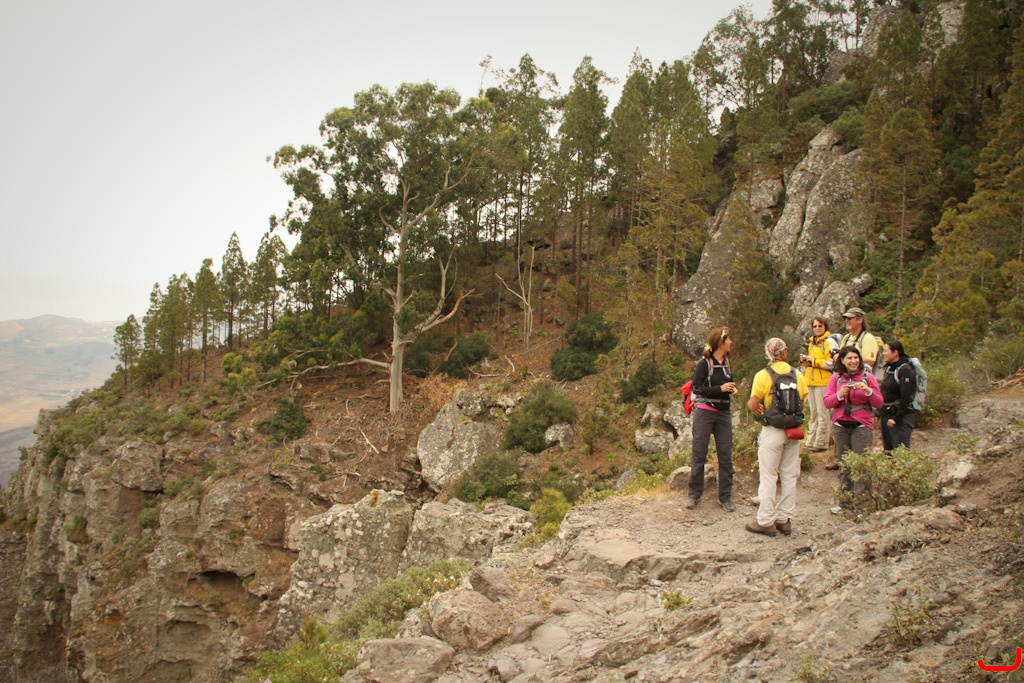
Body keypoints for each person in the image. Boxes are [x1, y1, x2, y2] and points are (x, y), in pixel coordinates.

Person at [746, 338, 809, 537]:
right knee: (789, 476)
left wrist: (759, 409)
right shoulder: (797, 374)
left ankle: (765, 521)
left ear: (768, 353)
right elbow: (802, 403)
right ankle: (784, 520)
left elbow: (752, 404)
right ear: (784, 352)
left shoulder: (763, 375)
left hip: (772, 430)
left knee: (769, 476)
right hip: (793, 431)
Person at [685, 327, 738, 512]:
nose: (731, 342)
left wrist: (732, 390)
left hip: (723, 413)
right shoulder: (704, 364)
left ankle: (725, 497)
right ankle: (693, 494)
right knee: (699, 453)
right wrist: (720, 389)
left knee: (725, 455)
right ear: (720, 343)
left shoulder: (727, 363)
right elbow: (697, 388)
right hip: (705, 411)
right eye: (728, 339)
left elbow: (727, 384)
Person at [823, 345, 883, 506]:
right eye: (849, 358)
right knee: (844, 465)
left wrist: (868, 391)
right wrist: (839, 395)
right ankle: (845, 503)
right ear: (842, 360)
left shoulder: (868, 377)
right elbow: (827, 402)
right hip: (841, 424)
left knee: (861, 465)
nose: (853, 361)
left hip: (862, 424)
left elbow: (879, 402)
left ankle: (862, 505)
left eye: (856, 358)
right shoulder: (836, 378)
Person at [799, 316, 836, 453]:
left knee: (822, 412)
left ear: (825, 327)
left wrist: (813, 361)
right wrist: (805, 361)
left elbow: (831, 363)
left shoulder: (829, 342)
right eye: (815, 326)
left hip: (823, 381)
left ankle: (821, 442)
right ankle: (811, 440)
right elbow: (812, 363)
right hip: (811, 381)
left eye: (820, 326)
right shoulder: (812, 343)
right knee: (813, 412)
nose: (817, 328)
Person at [880, 339, 917, 451]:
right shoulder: (890, 368)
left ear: (895, 353)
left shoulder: (905, 370)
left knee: (900, 451)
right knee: (888, 452)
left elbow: (906, 396)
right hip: (886, 413)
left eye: (886, 351)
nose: (883, 353)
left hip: (899, 417)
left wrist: (896, 418)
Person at [837, 307, 879, 375]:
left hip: (861, 377)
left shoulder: (868, 338)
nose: (847, 320)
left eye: (849, 318)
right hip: (845, 376)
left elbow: (870, 361)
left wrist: (848, 359)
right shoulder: (846, 337)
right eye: (846, 318)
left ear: (860, 320)